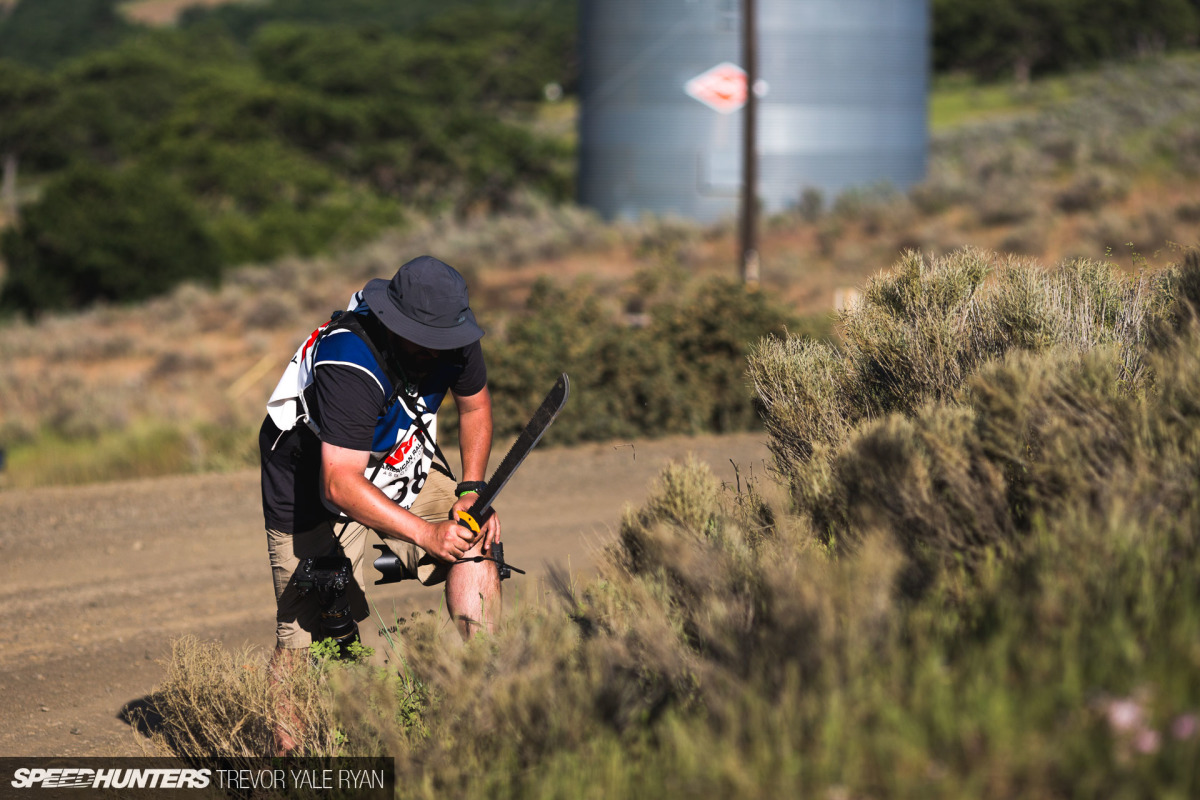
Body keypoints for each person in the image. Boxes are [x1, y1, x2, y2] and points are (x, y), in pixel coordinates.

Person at [258, 255, 501, 753]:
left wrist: (471, 491)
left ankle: (488, 703)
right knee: (307, 630)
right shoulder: (350, 360)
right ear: (396, 323)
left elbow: (475, 405)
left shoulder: (454, 334)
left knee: (476, 538)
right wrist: (428, 535)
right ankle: (289, 765)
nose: (441, 352)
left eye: (448, 342)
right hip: (312, 483)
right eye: (427, 342)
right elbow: (339, 485)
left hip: (395, 458)